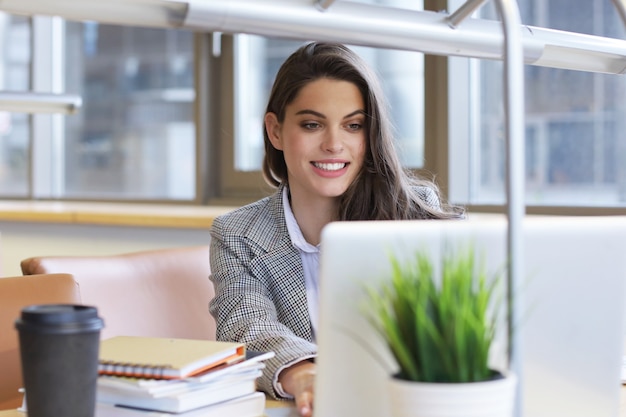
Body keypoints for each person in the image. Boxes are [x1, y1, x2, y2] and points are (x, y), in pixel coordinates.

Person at [209, 41, 464, 417]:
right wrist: (302, 373)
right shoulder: (236, 234)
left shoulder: (415, 212)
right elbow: (246, 326)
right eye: (312, 125)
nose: (333, 144)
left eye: (353, 126)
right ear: (275, 131)